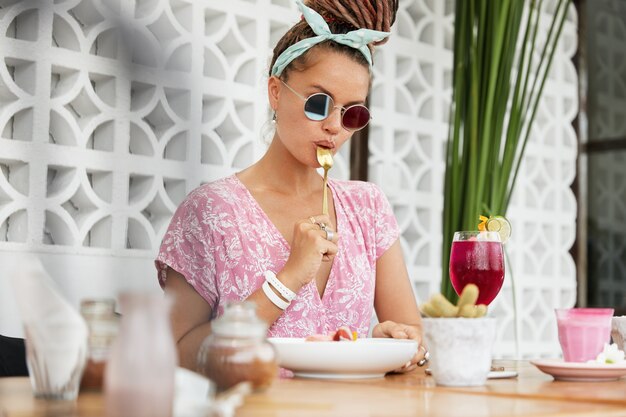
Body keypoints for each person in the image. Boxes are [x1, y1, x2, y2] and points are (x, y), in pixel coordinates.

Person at [156, 0, 427, 372]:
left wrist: (397, 344)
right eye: (319, 103)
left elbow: (413, 337)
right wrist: (289, 278)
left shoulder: (368, 207)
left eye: (352, 113)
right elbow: (175, 355)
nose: (335, 126)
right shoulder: (210, 211)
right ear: (276, 92)